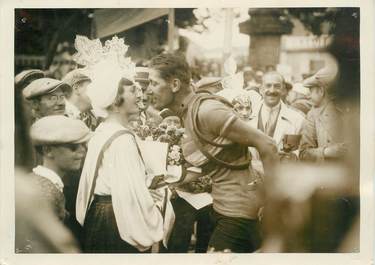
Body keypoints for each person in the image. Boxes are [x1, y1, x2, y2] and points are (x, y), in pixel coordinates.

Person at [148, 53, 278, 253]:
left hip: (239, 212)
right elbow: (217, 165)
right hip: (222, 209)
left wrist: (273, 201)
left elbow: (268, 145)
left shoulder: (207, 111)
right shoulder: (187, 113)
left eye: (153, 83)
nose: (148, 90)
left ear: (174, 85)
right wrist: (166, 179)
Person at [75, 36, 165, 253]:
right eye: (133, 91)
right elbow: (130, 194)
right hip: (117, 220)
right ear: (116, 101)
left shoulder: (103, 130)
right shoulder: (122, 139)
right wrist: (157, 203)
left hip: (100, 215)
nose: (140, 94)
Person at [29, 115, 90, 222]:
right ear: (48, 150)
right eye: (73, 147)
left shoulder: (37, 182)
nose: (83, 151)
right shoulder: (45, 195)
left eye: (83, 145)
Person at [248, 72, 305, 155]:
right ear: (261, 89)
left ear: (283, 90)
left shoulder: (297, 119)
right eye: (268, 86)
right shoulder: (246, 115)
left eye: (277, 86)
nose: (272, 90)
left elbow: (302, 152)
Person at [299, 67, 346, 162]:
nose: (308, 96)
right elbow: (304, 154)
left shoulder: (352, 111)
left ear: (321, 91)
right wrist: (326, 152)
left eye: (310, 91)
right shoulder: (313, 115)